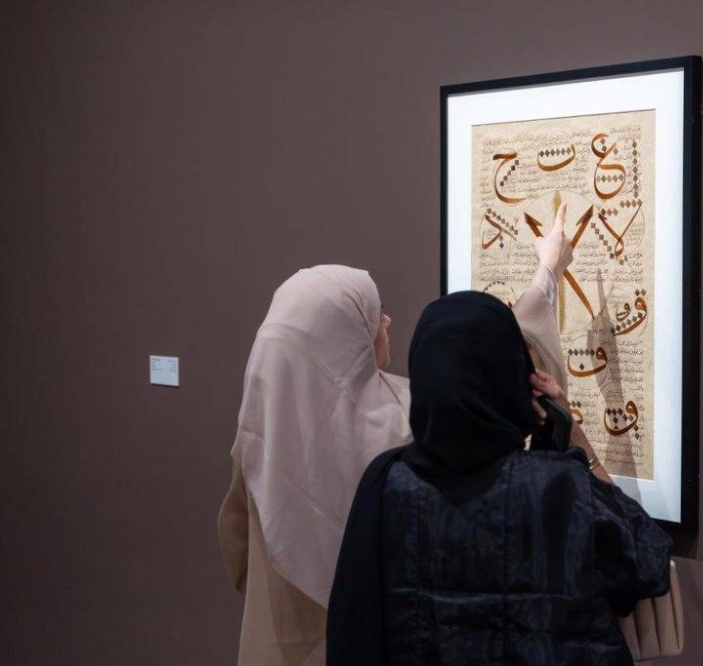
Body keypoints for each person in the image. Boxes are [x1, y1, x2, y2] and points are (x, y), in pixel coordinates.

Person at [218, 206, 576, 665]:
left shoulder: (258, 432)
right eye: (373, 313)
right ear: (343, 333)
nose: (386, 321)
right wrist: (547, 272)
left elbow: (237, 552)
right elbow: (498, 349)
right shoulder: (404, 425)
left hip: (277, 643)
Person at [326, 290, 673, 665]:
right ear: (513, 376)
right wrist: (573, 436)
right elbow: (644, 563)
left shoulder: (387, 484)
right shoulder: (560, 486)